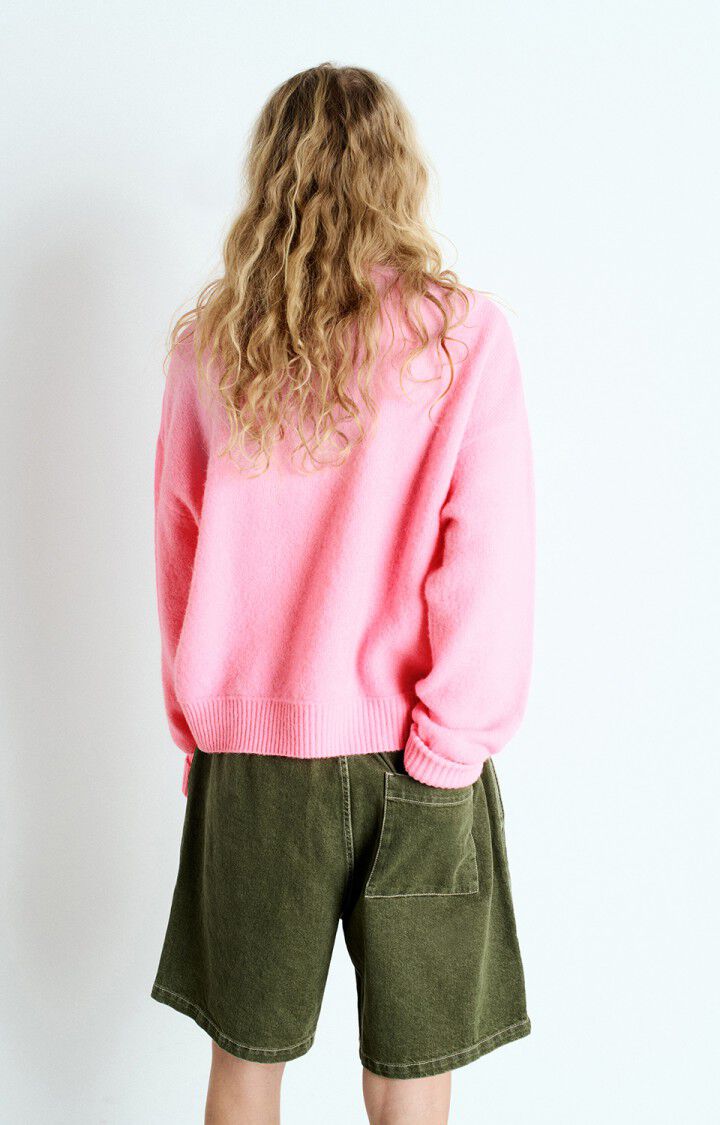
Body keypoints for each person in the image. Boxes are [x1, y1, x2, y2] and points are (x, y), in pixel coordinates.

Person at [151, 62, 535, 1125]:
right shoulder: (460, 338)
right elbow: (489, 561)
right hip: (415, 762)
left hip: (251, 764)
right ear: (397, 170)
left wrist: (202, 738)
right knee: (409, 1081)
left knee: (244, 1068)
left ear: (270, 172)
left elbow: (179, 557)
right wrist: (452, 747)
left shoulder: (211, 348)